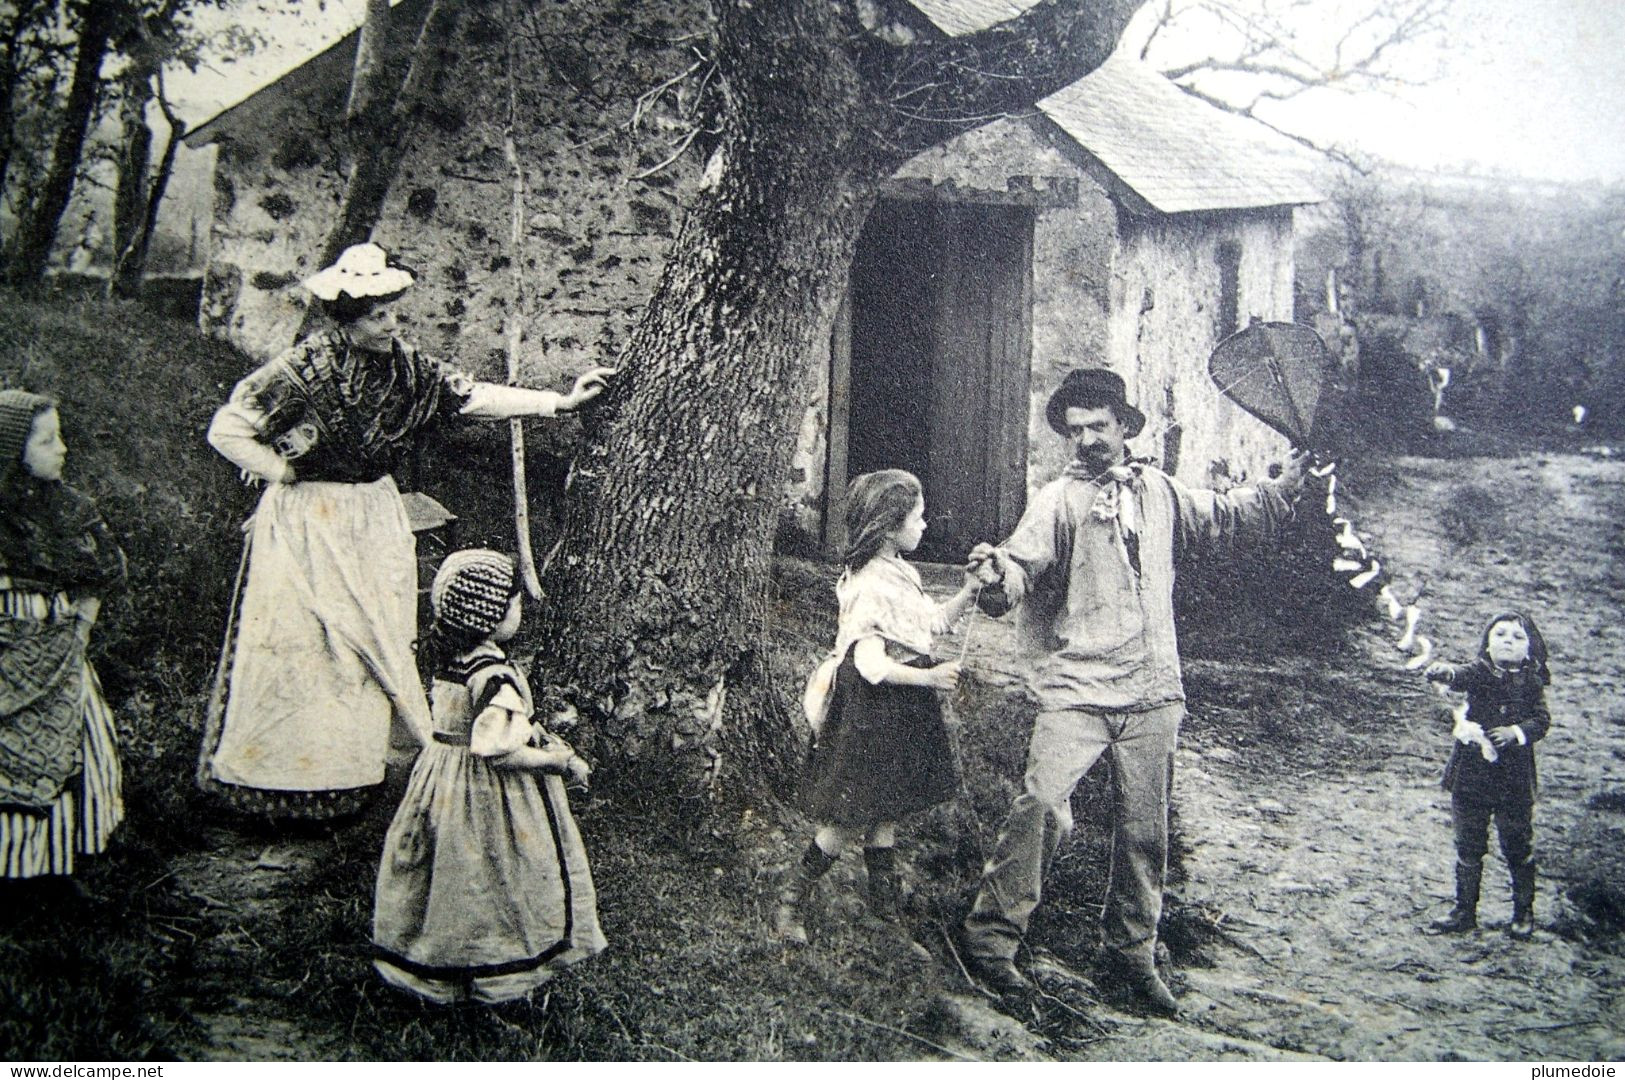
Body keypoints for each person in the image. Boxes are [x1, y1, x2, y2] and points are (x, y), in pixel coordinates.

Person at [198, 242, 613, 820]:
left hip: (372, 512)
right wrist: (286, 470)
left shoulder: (406, 370)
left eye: (393, 311)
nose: (390, 323)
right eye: (377, 315)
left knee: (375, 637)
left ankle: (353, 774)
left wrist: (559, 403)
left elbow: (470, 396)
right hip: (309, 520)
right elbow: (228, 429)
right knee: (308, 641)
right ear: (345, 318)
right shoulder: (300, 370)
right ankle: (275, 779)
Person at [959, 367, 1307, 1015]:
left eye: (1097, 426)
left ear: (1124, 426)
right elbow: (1018, 571)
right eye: (1075, 430)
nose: (1086, 439)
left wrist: (1285, 486)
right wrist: (994, 573)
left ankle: (1130, 956)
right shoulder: (1057, 500)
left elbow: (1226, 516)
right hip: (1078, 686)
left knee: (1144, 831)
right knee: (1037, 804)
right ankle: (991, 943)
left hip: (1153, 687)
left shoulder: (1157, 489)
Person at [372, 548, 605, 1003]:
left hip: (441, 777)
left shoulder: (451, 663)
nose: (519, 612)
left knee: (446, 870)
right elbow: (494, 751)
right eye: (514, 604)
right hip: (486, 791)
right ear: (491, 616)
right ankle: (493, 966)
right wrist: (556, 762)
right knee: (494, 871)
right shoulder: (495, 676)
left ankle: (437, 953)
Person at [774, 469, 980, 946]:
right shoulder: (869, 584)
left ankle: (882, 912)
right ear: (891, 527)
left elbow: (929, 624)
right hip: (871, 710)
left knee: (886, 808)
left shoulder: (900, 573)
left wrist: (968, 591)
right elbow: (869, 665)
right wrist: (929, 677)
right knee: (846, 817)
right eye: (919, 517)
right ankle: (791, 898)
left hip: (899, 709)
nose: (925, 526)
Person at [0, 391, 127, 882]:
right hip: (7, 647)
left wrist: (79, 629)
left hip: (62, 644)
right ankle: (13, 867)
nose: (63, 450)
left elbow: (100, 573)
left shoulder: (69, 509)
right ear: (13, 453)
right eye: (48, 441)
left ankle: (61, 863)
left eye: (61, 437)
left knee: (79, 740)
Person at [1424, 611, 1552, 940]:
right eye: (1500, 635)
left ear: (1530, 648)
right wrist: (1445, 672)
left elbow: (1541, 721)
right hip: (1471, 776)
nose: (1508, 641)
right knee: (1468, 844)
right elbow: (1460, 675)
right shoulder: (1479, 673)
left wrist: (1515, 732)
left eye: (1517, 636)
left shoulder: (1532, 683)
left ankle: (1523, 913)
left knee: (1516, 844)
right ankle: (1464, 911)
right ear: (1487, 644)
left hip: (1513, 782)